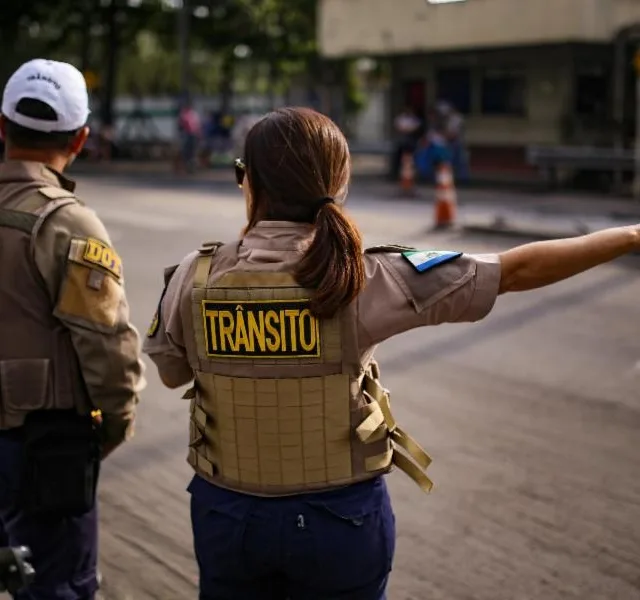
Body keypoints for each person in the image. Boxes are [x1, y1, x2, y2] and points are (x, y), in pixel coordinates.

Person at [143, 107, 640, 600]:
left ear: (248, 182)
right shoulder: (365, 276)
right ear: (339, 185)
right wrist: (631, 234)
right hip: (340, 520)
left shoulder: (196, 275)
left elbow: (169, 373)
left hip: (229, 518)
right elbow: (514, 271)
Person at [0, 59, 145, 599]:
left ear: (1, 127)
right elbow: (107, 349)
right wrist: (112, 425)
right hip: (45, 451)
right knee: (58, 588)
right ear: (80, 138)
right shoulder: (67, 224)